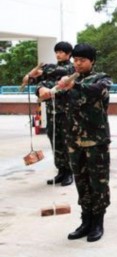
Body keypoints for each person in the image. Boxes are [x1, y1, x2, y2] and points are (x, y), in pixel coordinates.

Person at [56, 44, 112, 242]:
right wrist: (43, 90)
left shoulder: (102, 79)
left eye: (82, 60)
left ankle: (98, 221)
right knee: (81, 182)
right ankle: (85, 220)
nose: (77, 64)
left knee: (98, 182)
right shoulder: (69, 79)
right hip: (74, 141)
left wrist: (75, 86)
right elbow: (52, 91)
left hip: (95, 141)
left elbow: (97, 91)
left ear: (92, 61)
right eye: (76, 60)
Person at [29, 41, 75, 186]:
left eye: (61, 52)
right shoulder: (51, 69)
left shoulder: (71, 68)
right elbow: (34, 80)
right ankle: (61, 171)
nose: (58, 54)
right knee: (55, 140)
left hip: (66, 111)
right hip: (51, 111)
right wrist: (40, 85)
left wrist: (44, 71)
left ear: (68, 54)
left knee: (67, 141)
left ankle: (69, 172)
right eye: (57, 52)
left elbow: (60, 73)